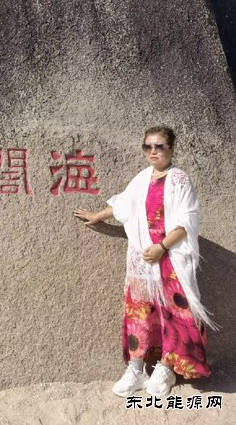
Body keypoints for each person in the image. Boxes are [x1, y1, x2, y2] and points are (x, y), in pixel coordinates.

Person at [73, 126, 215, 398]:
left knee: (173, 313)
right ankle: (136, 369)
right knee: (139, 312)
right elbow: (123, 206)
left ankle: (166, 368)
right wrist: (97, 215)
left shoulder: (179, 180)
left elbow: (187, 220)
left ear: (171, 148)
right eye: (148, 146)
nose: (153, 151)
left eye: (159, 146)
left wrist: (162, 247)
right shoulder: (141, 179)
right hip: (142, 260)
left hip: (170, 259)